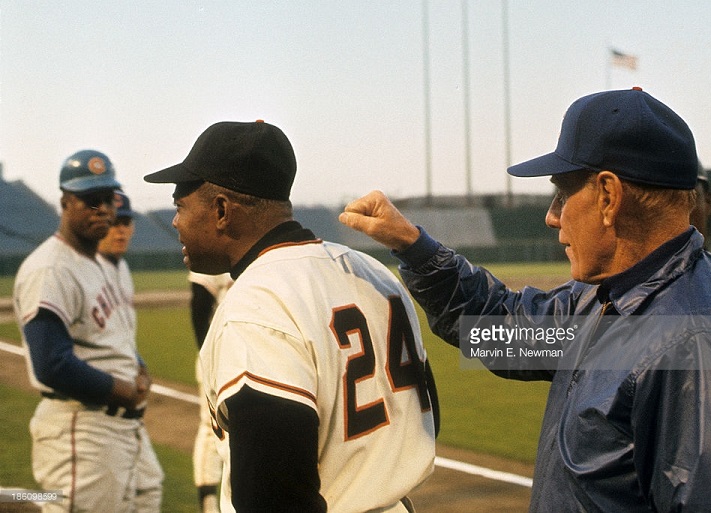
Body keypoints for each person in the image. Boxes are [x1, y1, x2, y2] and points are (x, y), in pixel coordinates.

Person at [339, 88, 711, 512]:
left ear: (608, 197)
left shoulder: (698, 343)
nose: (551, 215)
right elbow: (498, 330)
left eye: (562, 193)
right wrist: (413, 245)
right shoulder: (607, 298)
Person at [144, 120, 437, 513]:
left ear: (220, 210)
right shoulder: (372, 271)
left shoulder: (254, 305)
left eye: (180, 205)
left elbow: (272, 493)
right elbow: (425, 413)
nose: (176, 222)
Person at [13, 151, 163, 512]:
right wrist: (123, 389)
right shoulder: (51, 268)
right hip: (83, 424)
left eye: (107, 199)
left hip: (121, 428)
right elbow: (52, 364)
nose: (102, 209)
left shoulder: (97, 262)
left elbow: (111, 334)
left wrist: (137, 366)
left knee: (147, 496)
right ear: (65, 202)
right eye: (89, 200)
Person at [188, 271, 232, 513]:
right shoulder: (212, 249)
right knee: (211, 428)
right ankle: (208, 503)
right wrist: (209, 358)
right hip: (218, 354)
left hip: (252, 353)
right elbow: (198, 309)